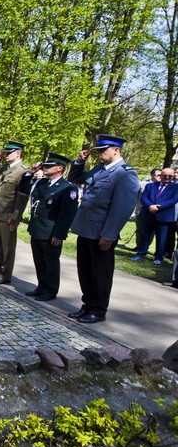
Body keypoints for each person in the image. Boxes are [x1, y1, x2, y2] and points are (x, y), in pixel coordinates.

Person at [67, 135, 139, 323]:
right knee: (85, 271)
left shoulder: (125, 173)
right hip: (86, 229)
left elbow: (122, 208)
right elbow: (74, 178)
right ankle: (88, 304)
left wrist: (109, 234)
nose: (99, 154)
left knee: (100, 274)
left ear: (116, 150)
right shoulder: (99, 169)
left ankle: (98, 310)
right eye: (98, 151)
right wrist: (80, 161)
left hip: (101, 233)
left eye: (103, 150)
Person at [24, 153, 79, 301]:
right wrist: (30, 173)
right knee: (39, 260)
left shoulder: (67, 188)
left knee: (51, 262)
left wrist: (60, 234)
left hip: (51, 232)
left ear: (60, 168)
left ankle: (50, 290)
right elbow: (23, 188)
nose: (45, 168)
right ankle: (41, 285)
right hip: (37, 228)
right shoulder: (42, 183)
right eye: (45, 165)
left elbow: (67, 214)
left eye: (49, 166)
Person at [0, 140, 28, 284]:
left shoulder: (23, 171)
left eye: (9, 152)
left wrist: (15, 217)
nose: (5, 154)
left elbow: (22, 197)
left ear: (18, 153)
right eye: (5, 152)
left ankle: (5, 275)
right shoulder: (4, 168)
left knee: (7, 247)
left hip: (8, 215)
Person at [133, 167, 178, 264]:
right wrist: (150, 206)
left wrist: (158, 207)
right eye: (164, 175)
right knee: (145, 235)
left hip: (164, 216)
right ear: (160, 175)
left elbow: (174, 200)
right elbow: (144, 197)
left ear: (173, 176)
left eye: (169, 176)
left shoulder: (176, 187)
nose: (167, 177)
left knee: (161, 238)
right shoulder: (150, 186)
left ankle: (158, 257)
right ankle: (140, 253)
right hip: (149, 214)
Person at [132, 168, 160, 257]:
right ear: (152, 175)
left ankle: (145, 247)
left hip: (155, 212)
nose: (160, 177)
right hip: (141, 210)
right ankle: (139, 245)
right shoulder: (142, 184)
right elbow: (135, 196)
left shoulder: (161, 186)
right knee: (140, 229)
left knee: (151, 232)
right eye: (157, 175)